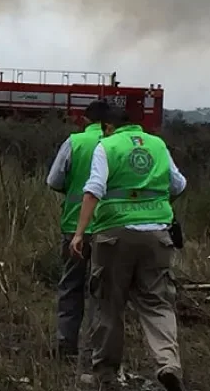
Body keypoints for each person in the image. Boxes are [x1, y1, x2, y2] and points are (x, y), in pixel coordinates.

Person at [69, 107, 188, 391]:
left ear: (109, 126)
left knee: (109, 304)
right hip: (157, 236)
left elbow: (94, 188)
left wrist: (79, 233)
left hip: (114, 236)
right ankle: (168, 364)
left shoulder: (106, 146)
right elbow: (179, 184)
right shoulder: (157, 144)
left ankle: (106, 375)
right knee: (158, 303)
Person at [45, 100, 111, 360]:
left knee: (71, 286)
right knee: (102, 290)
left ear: (85, 120)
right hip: (110, 228)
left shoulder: (74, 142)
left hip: (74, 227)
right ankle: (97, 350)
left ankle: (65, 344)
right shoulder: (116, 146)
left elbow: (53, 181)